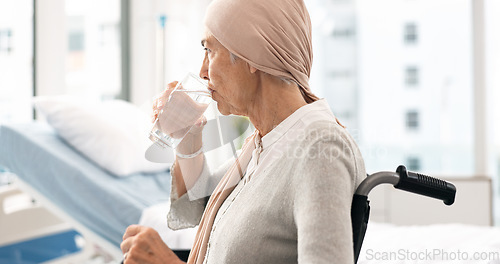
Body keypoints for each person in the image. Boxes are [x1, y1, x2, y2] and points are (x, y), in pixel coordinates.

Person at [120, 0, 366, 263]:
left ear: (253, 56)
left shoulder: (319, 149)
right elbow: (196, 208)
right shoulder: (266, 144)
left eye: (210, 50)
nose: (203, 71)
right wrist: (188, 135)